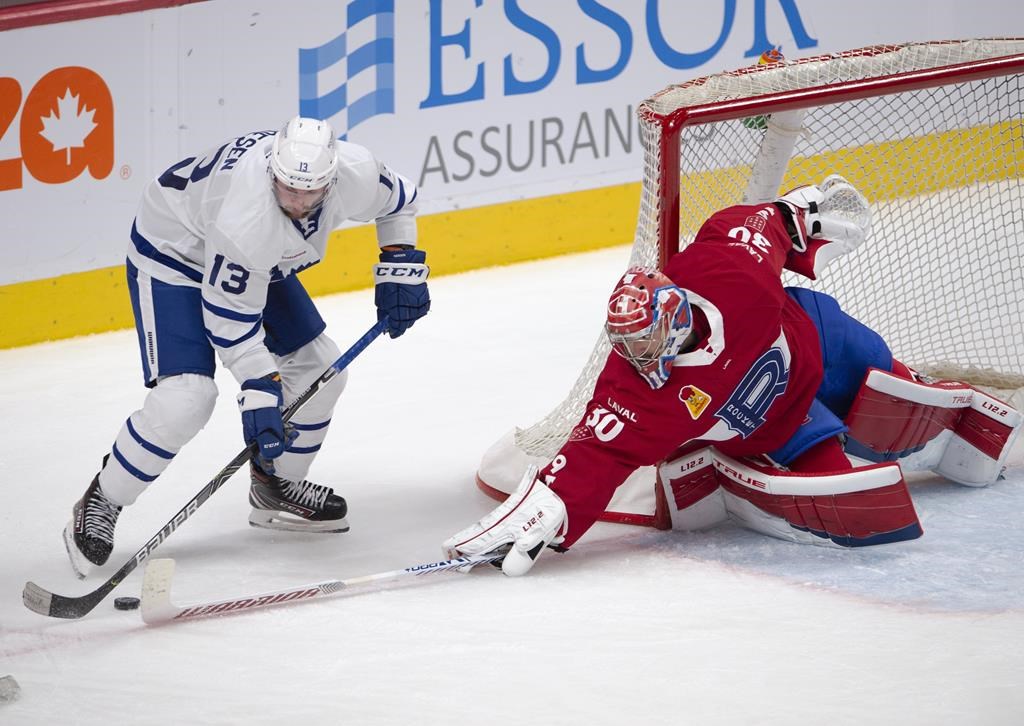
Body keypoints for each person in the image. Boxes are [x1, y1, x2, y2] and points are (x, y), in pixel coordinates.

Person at [444, 174, 996, 575]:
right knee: (828, 465)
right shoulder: (630, 391)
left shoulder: (729, 272)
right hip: (782, 420)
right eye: (630, 347)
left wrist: (805, 215)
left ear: (677, 315)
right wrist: (551, 507)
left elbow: (769, 221)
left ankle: (923, 398)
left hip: (815, 335)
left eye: (648, 343)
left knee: (881, 365)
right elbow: (593, 458)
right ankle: (841, 440)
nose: (640, 360)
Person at [64, 116, 430, 578]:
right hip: (175, 252)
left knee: (321, 369)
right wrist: (259, 389)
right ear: (271, 171)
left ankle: (275, 487)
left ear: (332, 180)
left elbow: (400, 202)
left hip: (254, 260)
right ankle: (102, 498)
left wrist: (400, 263)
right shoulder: (248, 216)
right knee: (187, 399)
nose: (296, 201)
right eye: (286, 187)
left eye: (308, 192)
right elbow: (231, 322)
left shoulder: (354, 172)